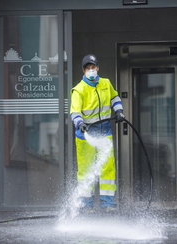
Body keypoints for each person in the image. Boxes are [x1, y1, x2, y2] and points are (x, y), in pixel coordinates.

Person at [70, 54, 125, 211]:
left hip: (104, 130)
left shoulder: (106, 84)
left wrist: (119, 111)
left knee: (108, 167)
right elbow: (75, 111)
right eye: (88, 68)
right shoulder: (79, 90)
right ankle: (86, 205)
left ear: (98, 68)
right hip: (85, 134)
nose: (91, 70)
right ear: (83, 70)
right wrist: (80, 123)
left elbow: (115, 98)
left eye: (93, 67)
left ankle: (108, 204)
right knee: (86, 169)